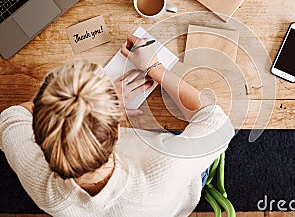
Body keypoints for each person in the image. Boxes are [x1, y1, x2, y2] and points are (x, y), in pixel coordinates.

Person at [0, 35, 235, 216]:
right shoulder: (165, 166)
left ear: (41, 139)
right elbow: (219, 124)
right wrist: (154, 67)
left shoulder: (40, 181)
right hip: (173, 192)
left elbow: (10, 117)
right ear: (116, 131)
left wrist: (84, 105)